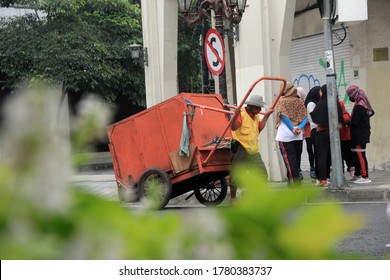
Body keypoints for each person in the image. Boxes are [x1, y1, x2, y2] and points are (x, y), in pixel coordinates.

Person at [229, 95, 273, 204]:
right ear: (250, 106)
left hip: (253, 150)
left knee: (262, 174)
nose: (260, 110)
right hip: (241, 148)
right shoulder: (242, 114)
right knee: (236, 175)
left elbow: (259, 128)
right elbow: (233, 127)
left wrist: (266, 116)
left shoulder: (256, 116)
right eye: (258, 107)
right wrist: (235, 115)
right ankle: (233, 198)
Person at [310, 84, 343, 187]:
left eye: (321, 91)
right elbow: (341, 120)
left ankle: (323, 179)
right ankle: (338, 177)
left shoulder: (320, 104)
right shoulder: (335, 103)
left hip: (321, 133)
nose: (320, 93)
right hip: (334, 133)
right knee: (336, 155)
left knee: (322, 157)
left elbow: (314, 118)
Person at [275, 82, 308, 186]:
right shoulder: (299, 101)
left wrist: (291, 128)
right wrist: (299, 127)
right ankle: (292, 184)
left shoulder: (282, 101)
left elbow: (283, 116)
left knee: (290, 161)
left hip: (285, 136)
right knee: (296, 161)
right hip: (298, 135)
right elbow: (305, 117)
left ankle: (295, 185)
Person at [347, 85, 375, 184]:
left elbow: (355, 122)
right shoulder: (361, 104)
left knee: (360, 155)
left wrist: (347, 122)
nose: (349, 97)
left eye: (349, 95)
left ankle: (365, 176)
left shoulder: (359, 106)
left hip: (360, 135)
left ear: (353, 94)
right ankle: (359, 174)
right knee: (358, 155)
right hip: (359, 135)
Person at [304, 86, 321, 180]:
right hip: (315, 130)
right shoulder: (311, 104)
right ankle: (316, 173)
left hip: (316, 130)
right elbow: (315, 117)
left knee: (318, 153)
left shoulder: (316, 103)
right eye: (319, 92)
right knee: (314, 152)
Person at [338, 97, 355, 177]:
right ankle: (341, 171)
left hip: (345, 138)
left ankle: (351, 168)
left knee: (348, 155)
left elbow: (346, 119)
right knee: (341, 156)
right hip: (339, 139)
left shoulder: (345, 115)